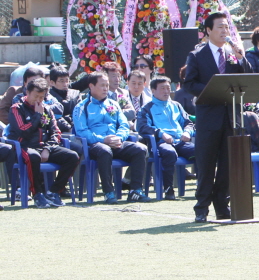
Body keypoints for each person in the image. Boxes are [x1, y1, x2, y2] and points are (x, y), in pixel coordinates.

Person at [183, 12, 252, 222]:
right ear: (208, 31)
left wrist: (242, 59)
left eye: (226, 27)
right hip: (208, 117)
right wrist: (214, 90)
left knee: (227, 164)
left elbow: (248, 77)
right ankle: (201, 207)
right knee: (206, 163)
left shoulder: (232, 54)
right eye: (220, 27)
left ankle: (223, 205)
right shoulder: (197, 55)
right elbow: (189, 83)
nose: (224, 31)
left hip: (231, 117)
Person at [73, 72, 149, 204]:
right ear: (91, 86)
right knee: (104, 151)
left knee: (140, 148)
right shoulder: (81, 107)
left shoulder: (113, 104)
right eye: (102, 85)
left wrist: (119, 137)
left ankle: (135, 190)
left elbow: (124, 125)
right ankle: (108, 192)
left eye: (107, 85)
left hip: (116, 142)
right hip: (96, 145)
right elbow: (82, 132)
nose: (105, 88)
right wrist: (103, 139)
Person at [7, 77, 80, 208]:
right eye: (36, 96)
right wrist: (37, 116)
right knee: (33, 157)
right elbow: (23, 131)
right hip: (24, 146)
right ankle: (37, 194)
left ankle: (53, 192)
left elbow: (55, 132)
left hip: (44, 147)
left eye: (42, 97)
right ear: (27, 92)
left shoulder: (47, 109)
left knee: (72, 156)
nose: (39, 100)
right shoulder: (16, 108)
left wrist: (48, 148)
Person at [137, 76, 196, 200]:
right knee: (169, 153)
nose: (166, 91)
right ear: (153, 90)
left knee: (200, 151)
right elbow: (142, 127)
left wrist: (187, 132)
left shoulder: (176, 105)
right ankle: (168, 188)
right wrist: (160, 133)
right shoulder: (147, 108)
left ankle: (202, 186)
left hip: (180, 141)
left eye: (168, 88)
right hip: (160, 143)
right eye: (162, 88)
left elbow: (188, 122)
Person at [48, 65, 81, 133]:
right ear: (52, 82)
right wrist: (68, 128)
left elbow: (79, 112)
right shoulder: (48, 96)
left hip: (76, 127)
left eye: (67, 80)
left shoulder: (75, 94)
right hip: (57, 130)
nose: (65, 84)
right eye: (61, 81)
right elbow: (53, 117)